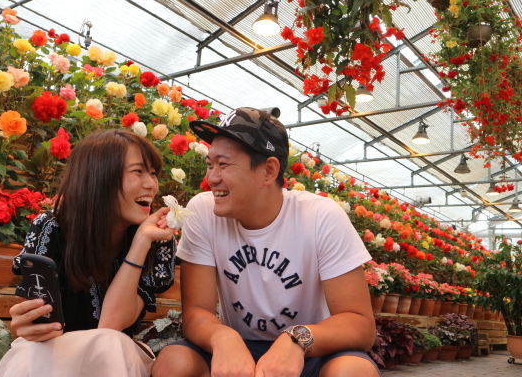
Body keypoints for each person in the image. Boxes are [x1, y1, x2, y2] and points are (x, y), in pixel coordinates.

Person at [153, 108, 380, 377]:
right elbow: (196, 311)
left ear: (269, 171)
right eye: (210, 164)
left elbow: (360, 325)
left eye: (224, 164)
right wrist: (222, 337)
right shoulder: (203, 211)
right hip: (237, 348)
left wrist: (297, 338)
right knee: (174, 361)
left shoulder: (320, 216)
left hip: (310, 350)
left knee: (354, 370)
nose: (211, 178)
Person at [0, 129, 176, 377]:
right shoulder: (52, 228)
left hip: (116, 358)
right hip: (51, 354)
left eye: (153, 173)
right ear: (99, 176)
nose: (151, 184)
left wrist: (141, 243)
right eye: (138, 171)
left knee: (110, 342)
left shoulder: (155, 240)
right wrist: (29, 323)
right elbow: (43, 324)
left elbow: (111, 325)